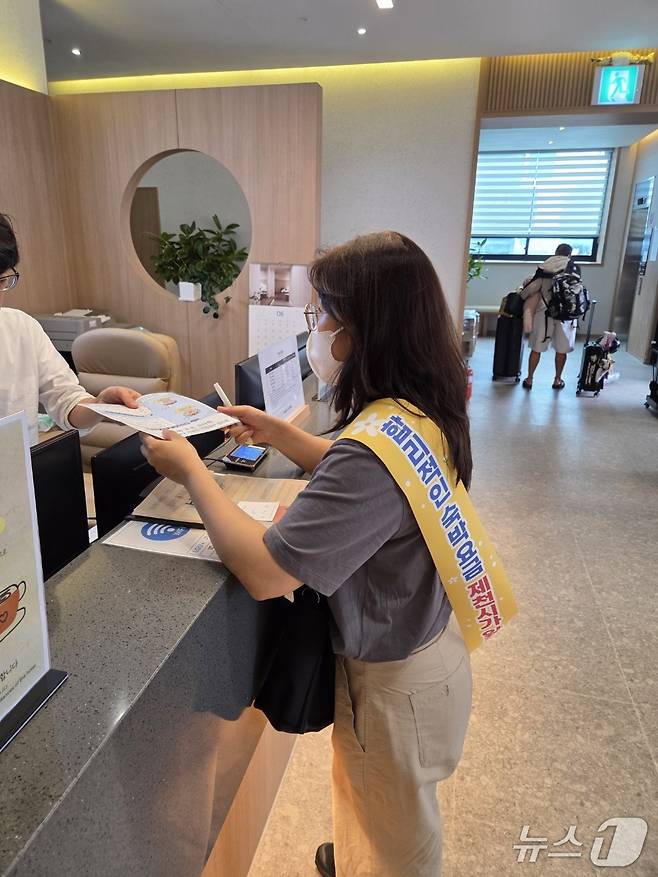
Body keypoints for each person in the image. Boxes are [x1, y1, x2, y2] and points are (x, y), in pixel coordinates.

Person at [141, 231, 473, 877]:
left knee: (398, 837)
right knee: (373, 806)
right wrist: (286, 435)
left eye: (324, 313)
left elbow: (266, 572)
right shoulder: (418, 410)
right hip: (419, 649)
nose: (317, 329)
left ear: (364, 328)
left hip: (396, 681)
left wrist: (192, 472)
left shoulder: (375, 443)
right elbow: (378, 476)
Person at [0, 214, 140, 444]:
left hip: (22, 475)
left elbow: (66, 402)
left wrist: (99, 405)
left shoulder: (21, 329)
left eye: (1, 282)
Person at [520, 243, 582, 391]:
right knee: (561, 350)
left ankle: (529, 379)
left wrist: (521, 296)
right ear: (569, 255)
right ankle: (557, 379)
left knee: (537, 348)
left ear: (555, 252)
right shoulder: (573, 268)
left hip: (544, 313)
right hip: (566, 316)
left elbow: (532, 288)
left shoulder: (545, 266)